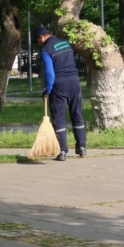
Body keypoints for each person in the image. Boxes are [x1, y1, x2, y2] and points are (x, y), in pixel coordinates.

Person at [37, 23, 86, 159]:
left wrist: (48, 89)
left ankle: (62, 151)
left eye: (38, 41)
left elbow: (49, 73)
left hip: (59, 85)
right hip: (75, 82)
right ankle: (82, 147)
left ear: (41, 37)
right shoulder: (65, 43)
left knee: (58, 118)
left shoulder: (46, 49)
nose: (39, 44)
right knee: (77, 114)